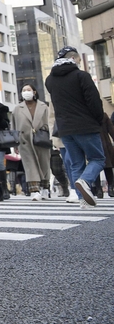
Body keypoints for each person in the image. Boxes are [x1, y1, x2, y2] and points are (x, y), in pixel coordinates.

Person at [45, 46, 107, 207]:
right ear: (73, 58)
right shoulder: (81, 76)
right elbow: (94, 102)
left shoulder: (50, 80)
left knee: (76, 163)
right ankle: (85, 181)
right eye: (79, 59)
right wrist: (99, 120)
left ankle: (82, 200)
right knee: (98, 159)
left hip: (65, 129)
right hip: (85, 126)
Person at [11, 84, 52, 201]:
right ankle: (34, 190)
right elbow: (13, 127)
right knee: (30, 166)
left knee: (44, 163)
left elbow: (50, 123)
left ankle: (45, 188)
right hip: (24, 141)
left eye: (28, 90)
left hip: (41, 138)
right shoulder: (17, 109)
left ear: (34, 92)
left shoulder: (44, 106)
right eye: (23, 90)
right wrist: (15, 143)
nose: (26, 92)